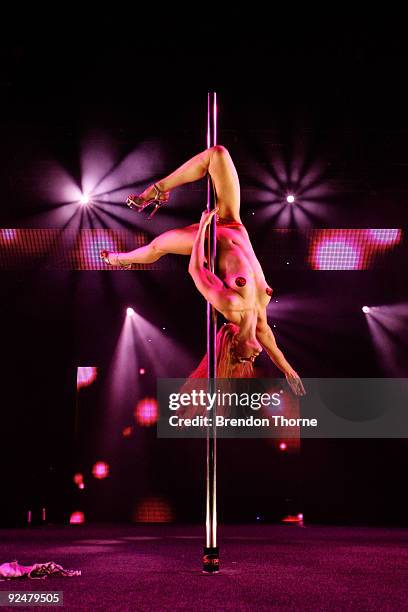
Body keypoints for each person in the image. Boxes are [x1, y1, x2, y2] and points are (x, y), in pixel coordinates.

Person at [100, 145, 305, 395]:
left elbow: (196, 270)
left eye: (247, 359)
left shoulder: (230, 304)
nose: (254, 357)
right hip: (233, 223)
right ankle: (159, 190)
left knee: (156, 247)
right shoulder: (259, 322)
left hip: (209, 238)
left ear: (236, 347)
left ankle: (119, 259)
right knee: (218, 154)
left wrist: (202, 230)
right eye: (251, 361)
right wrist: (288, 371)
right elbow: (274, 349)